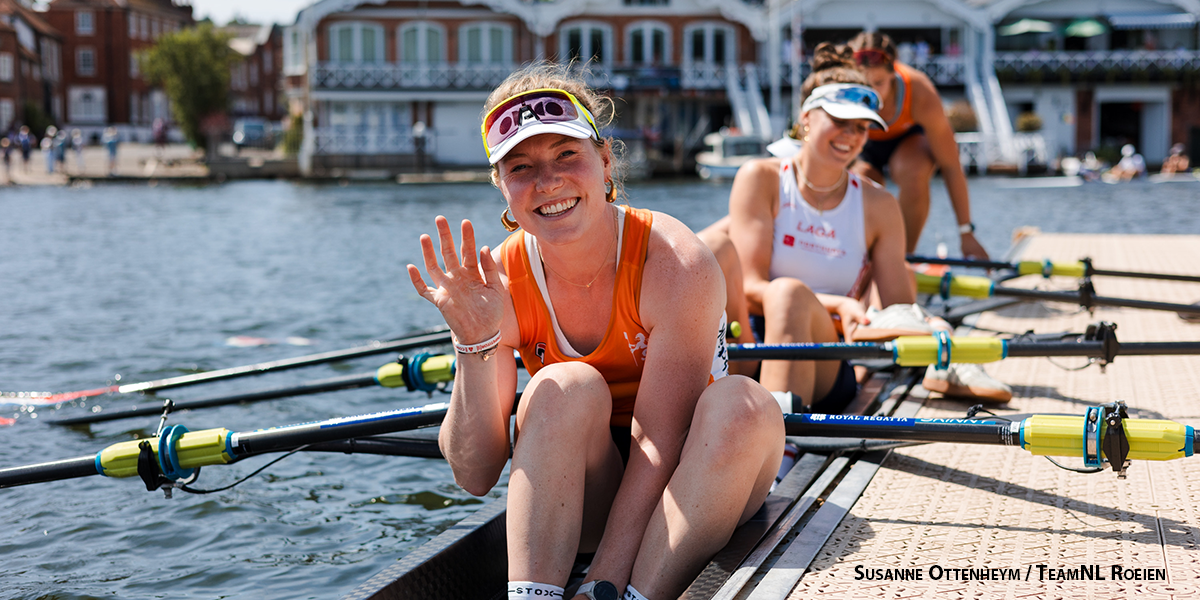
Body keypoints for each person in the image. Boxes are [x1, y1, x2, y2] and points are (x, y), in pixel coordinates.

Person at [407, 63, 784, 600]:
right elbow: (474, 473)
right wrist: (475, 343)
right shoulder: (497, 281)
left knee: (742, 404)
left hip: (702, 478)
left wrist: (603, 584)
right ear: (502, 188)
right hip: (595, 489)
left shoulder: (676, 263)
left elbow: (660, 443)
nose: (548, 181)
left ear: (604, 160)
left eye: (567, 155)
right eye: (521, 167)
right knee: (562, 387)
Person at [699, 43, 1011, 408]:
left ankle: (774, 450)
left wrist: (930, 326)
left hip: (827, 357)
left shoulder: (879, 205)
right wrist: (837, 303)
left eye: (863, 127)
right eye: (840, 121)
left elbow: (897, 310)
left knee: (789, 294)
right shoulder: (761, 178)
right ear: (807, 118)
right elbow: (751, 287)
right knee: (726, 260)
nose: (851, 136)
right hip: (752, 342)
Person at [848, 32, 988, 259]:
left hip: (907, 142)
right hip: (863, 144)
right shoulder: (840, 90)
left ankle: (903, 257)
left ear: (893, 73)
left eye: (879, 83)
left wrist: (966, 233)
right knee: (861, 182)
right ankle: (862, 256)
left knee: (914, 175)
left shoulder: (920, 91)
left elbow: (951, 165)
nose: (871, 93)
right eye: (863, 84)